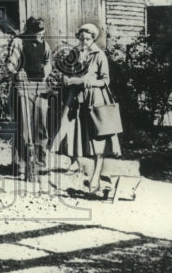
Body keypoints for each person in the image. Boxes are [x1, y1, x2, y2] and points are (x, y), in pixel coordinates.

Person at [52, 23, 122, 194]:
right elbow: (65, 71)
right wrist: (65, 78)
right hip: (76, 99)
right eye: (81, 39)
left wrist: (87, 82)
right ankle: (76, 164)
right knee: (71, 132)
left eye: (88, 39)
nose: (84, 42)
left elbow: (105, 81)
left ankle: (95, 177)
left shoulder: (99, 55)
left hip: (94, 99)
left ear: (93, 39)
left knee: (98, 138)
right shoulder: (74, 53)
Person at [6, 16, 52, 182]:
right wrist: (16, 72)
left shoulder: (44, 44)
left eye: (42, 32)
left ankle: (39, 164)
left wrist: (46, 72)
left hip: (40, 87)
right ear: (29, 31)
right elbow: (10, 63)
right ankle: (21, 164)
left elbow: (48, 61)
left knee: (41, 127)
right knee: (23, 127)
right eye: (37, 32)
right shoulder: (18, 42)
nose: (40, 35)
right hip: (23, 87)